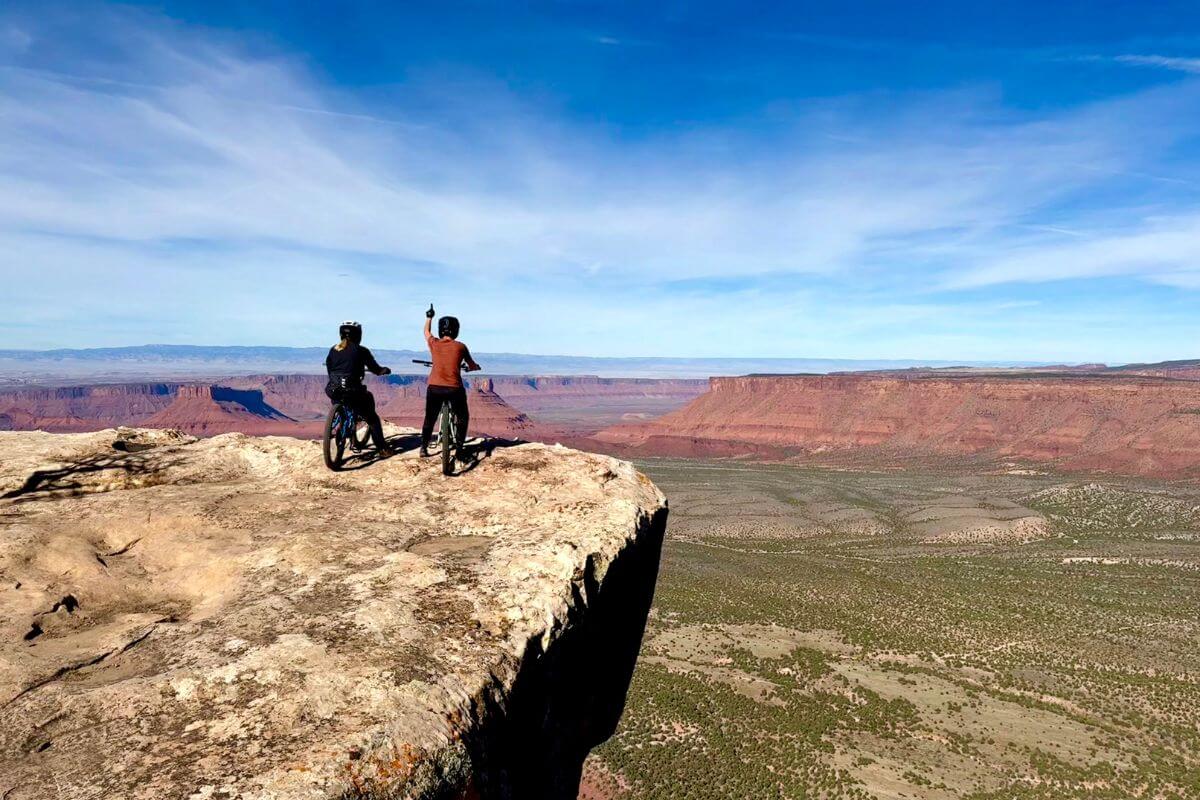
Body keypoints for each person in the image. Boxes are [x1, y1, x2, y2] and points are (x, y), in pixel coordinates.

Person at [420, 304, 481, 461]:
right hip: (454, 389)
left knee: (429, 418)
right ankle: (459, 449)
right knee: (463, 417)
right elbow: (471, 364)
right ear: (456, 330)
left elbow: (426, 332)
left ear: (441, 330)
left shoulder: (434, 343)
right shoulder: (461, 346)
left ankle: (423, 448)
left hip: (434, 388)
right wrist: (473, 368)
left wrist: (429, 317)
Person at [325, 320, 393, 456]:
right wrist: (384, 370)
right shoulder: (361, 351)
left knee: (341, 404)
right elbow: (375, 369)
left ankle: (342, 426)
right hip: (353, 390)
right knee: (372, 418)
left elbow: (329, 368)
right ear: (358, 335)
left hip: (334, 389)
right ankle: (382, 449)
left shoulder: (333, 349)